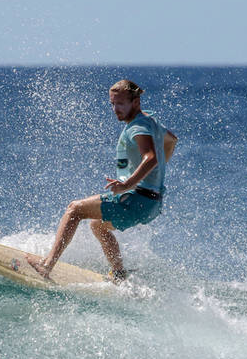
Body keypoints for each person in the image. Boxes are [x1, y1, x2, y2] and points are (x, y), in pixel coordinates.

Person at [28, 79, 178, 281]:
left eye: (121, 104)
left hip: (136, 199)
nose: (116, 109)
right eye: (113, 104)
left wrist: (127, 184)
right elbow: (171, 140)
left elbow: (150, 158)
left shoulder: (137, 127)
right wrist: (159, 167)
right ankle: (118, 273)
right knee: (97, 225)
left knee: (74, 209)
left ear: (135, 102)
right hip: (152, 203)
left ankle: (46, 266)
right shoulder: (150, 121)